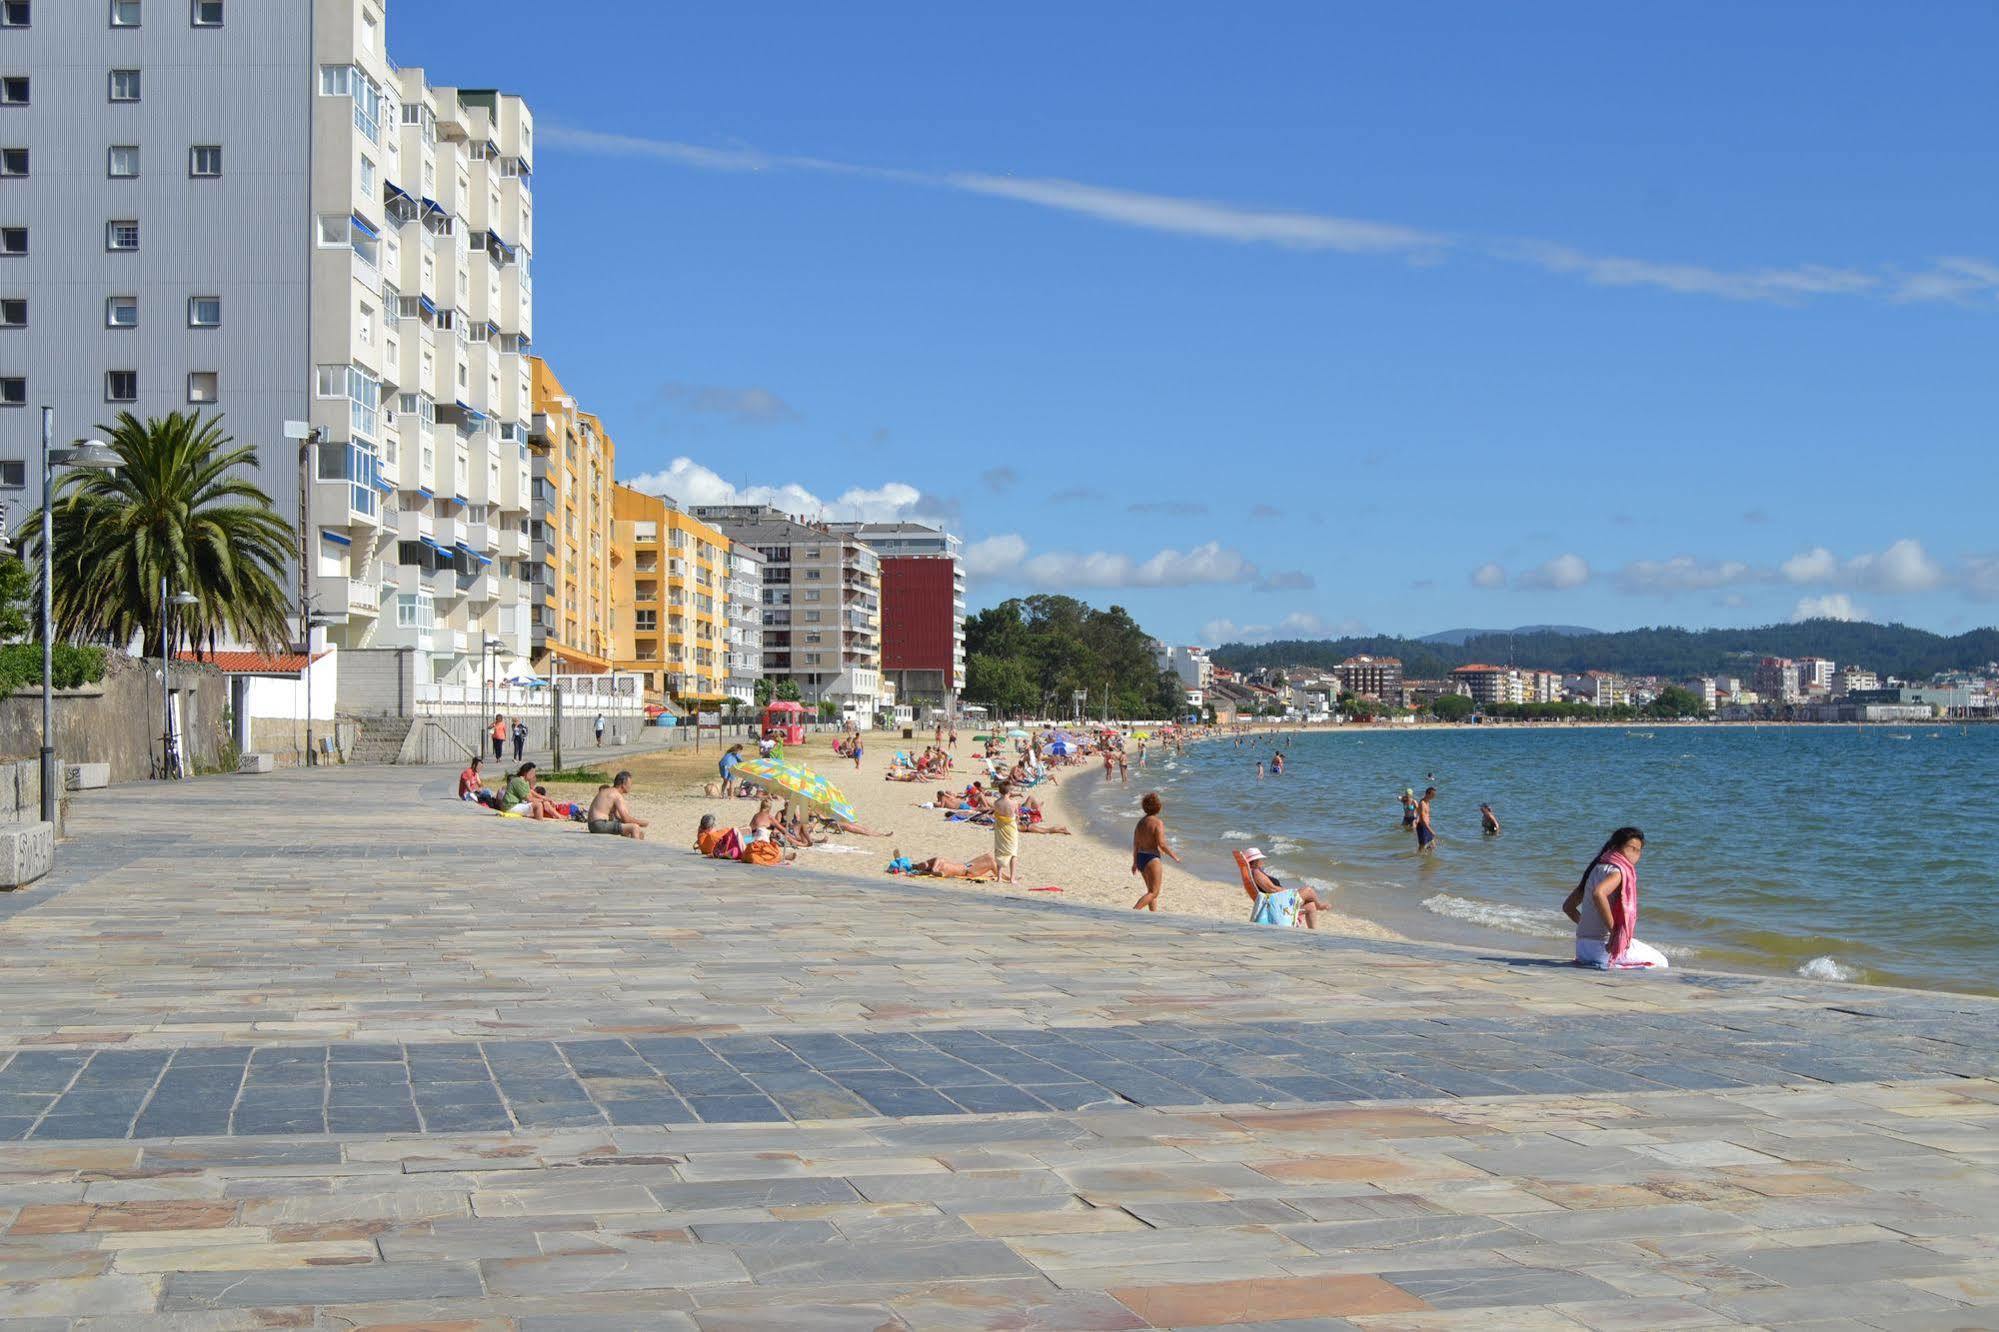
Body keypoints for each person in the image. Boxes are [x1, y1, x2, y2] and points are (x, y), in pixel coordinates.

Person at [1563, 826, 1666, 969]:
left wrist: (1588, 927)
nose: (1635, 854)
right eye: (1631, 848)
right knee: (1661, 962)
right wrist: (1614, 933)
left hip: (1582, 948)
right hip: (1602, 948)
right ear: (1616, 847)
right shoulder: (1617, 872)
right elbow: (1599, 894)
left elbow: (1568, 907)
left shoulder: (1594, 869)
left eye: (1639, 850)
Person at [1238, 846, 1323, 929]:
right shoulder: (1256, 872)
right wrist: (1291, 891)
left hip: (1277, 903)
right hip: (1276, 902)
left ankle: (1313, 933)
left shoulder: (1255, 871)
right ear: (1255, 861)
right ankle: (1320, 906)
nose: (1262, 861)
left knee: (1311, 906)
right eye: (1260, 859)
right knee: (1308, 890)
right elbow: (1272, 889)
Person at [1130, 791, 1181, 911]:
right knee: (1154, 892)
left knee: (1150, 891)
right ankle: (1134, 911)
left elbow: (1136, 843)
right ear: (1158, 807)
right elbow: (1162, 844)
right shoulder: (1157, 823)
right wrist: (1174, 856)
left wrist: (1135, 862)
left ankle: (1153, 915)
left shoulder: (1140, 823)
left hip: (1141, 857)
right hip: (1151, 859)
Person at [587, 770, 648, 839]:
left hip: (592, 824)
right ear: (623, 784)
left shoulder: (607, 791)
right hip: (599, 824)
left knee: (636, 832)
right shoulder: (617, 795)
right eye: (630, 783)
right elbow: (626, 819)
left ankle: (626, 847)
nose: (631, 786)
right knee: (634, 828)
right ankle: (635, 849)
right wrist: (643, 823)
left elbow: (619, 817)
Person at [990, 782, 1019, 885]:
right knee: (1013, 853)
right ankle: (1012, 878)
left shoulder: (996, 803)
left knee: (999, 850)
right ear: (1009, 792)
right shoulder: (1014, 803)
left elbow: (996, 815)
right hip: (1011, 828)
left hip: (1000, 828)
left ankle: (999, 877)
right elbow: (1017, 816)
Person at [910, 852, 999, 879]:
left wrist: (931, 870)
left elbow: (936, 871)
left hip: (967, 868)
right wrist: (923, 872)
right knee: (990, 859)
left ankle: (1005, 877)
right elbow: (938, 874)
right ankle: (1006, 877)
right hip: (967, 869)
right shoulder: (940, 865)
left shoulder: (939, 862)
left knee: (990, 858)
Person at [1416, 786, 1436, 852]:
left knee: (1433, 845)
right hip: (1422, 827)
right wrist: (1430, 830)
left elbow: (1426, 815)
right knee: (1422, 846)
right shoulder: (1422, 803)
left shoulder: (1427, 802)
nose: (1434, 796)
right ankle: (1418, 856)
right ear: (1427, 794)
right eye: (1433, 794)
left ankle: (1425, 857)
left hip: (1426, 827)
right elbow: (1423, 819)